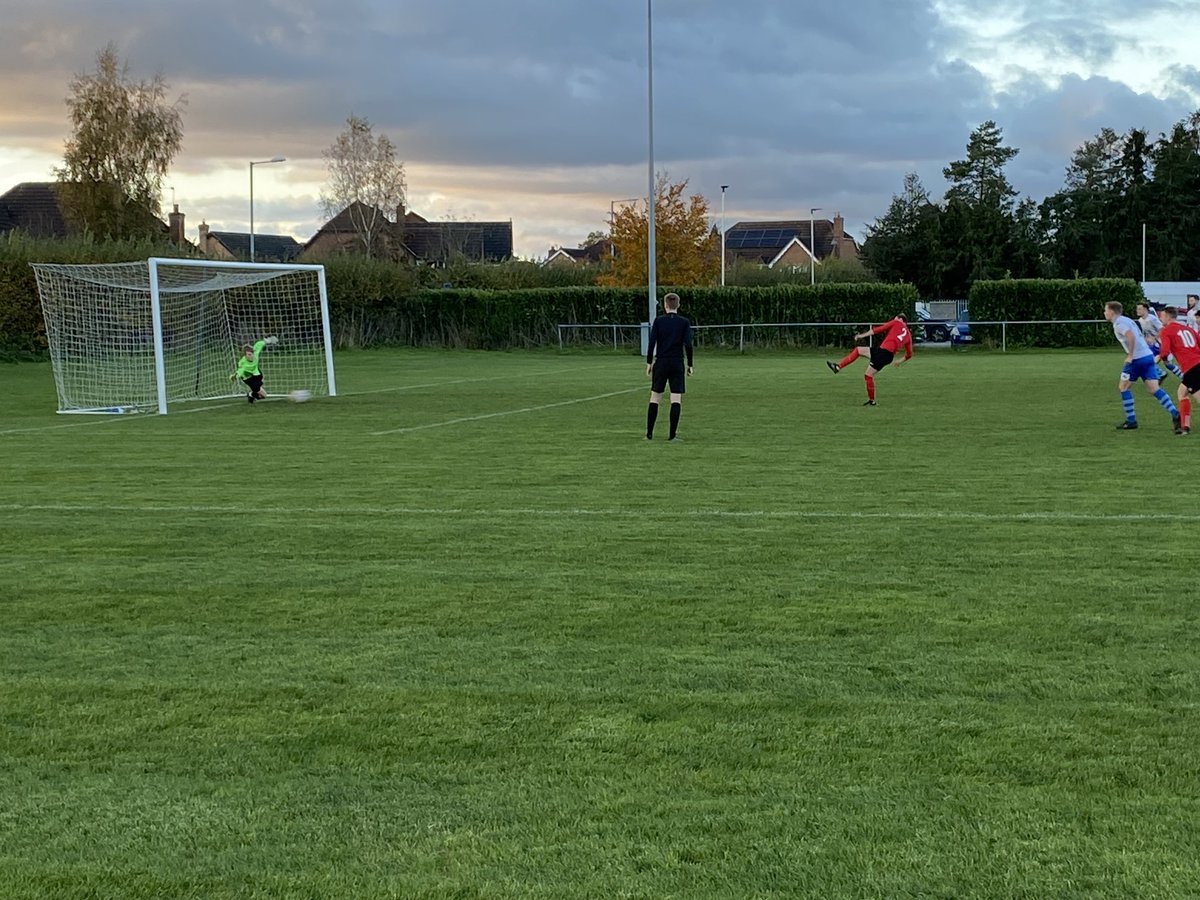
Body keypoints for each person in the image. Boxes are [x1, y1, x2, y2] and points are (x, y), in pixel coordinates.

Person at [1103, 301, 1179, 432]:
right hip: (1148, 356)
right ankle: (1175, 413)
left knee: (1123, 387)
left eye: (1105, 310)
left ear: (1112, 311)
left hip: (1137, 359)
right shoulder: (1126, 320)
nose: (1104, 313)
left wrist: (1130, 355)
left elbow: (1130, 336)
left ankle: (1131, 420)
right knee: (1154, 389)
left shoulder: (1119, 324)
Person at [826, 314, 912, 406]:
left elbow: (877, 330)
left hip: (883, 352)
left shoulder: (896, 322)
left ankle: (838, 367)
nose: (893, 319)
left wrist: (861, 336)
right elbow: (909, 354)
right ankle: (872, 401)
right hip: (888, 357)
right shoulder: (909, 336)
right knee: (868, 375)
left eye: (895, 318)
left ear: (900, 319)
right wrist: (899, 361)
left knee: (858, 350)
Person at [645, 292, 693, 441]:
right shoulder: (684, 322)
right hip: (677, 362)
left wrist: (649, 362)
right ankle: (672, 435)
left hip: (661, 362)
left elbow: (652, 343)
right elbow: (688, 345)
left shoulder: (658, 321)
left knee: (655, 397)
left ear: (665, 305)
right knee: (675, 398)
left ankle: (649, 434)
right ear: (678, 305)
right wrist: (690, 364)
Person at [1154, 304, 1200, 436]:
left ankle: (1184, 427)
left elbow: (1164, 351)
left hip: (1191, 367)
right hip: (1197, 364)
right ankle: (1184, 426)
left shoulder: (1167, 330)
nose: (1160, 318)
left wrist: (1162, 360)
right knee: (1182, 393)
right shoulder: (1188, 328)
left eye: (1162, 316)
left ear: (1167, 316)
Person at [1136, 301, 1184, 381]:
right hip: (1152, 345)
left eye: (1139, 309)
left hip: (1160, 344)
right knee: (1147, 360)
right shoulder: (1140, 320)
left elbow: (1162, 329)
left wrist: (1154, 338)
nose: (1137, 310)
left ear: (1145, 310)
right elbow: (1146, 332)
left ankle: (1166, 374)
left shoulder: (1152, 319)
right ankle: (1162, 373)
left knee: (1161, 363)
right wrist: (1145, 339)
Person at [231, 336, 278, 403]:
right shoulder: (243, 363)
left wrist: (267, 341)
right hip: (248, 378)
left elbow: (259, 344)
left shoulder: (255, 352)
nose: (251, 356)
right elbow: (240, 371)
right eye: (249, 355)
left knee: (261, 379)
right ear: (245, 355)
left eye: (252, 353)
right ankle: (251, 395)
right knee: (264, 396)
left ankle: (253, 392)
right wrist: (235, 376)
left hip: (255, 372)